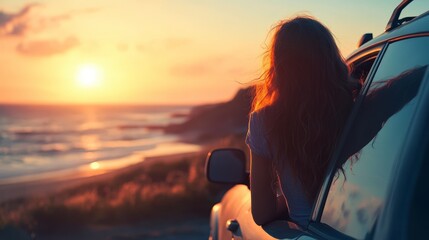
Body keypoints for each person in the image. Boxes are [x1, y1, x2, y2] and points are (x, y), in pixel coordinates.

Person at [245, 16, 356, 227]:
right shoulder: (358, 106)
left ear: (277, 65)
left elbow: (261, 214)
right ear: (331, 59)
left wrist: (294, 200)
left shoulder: (263, 121)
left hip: (309, 232)